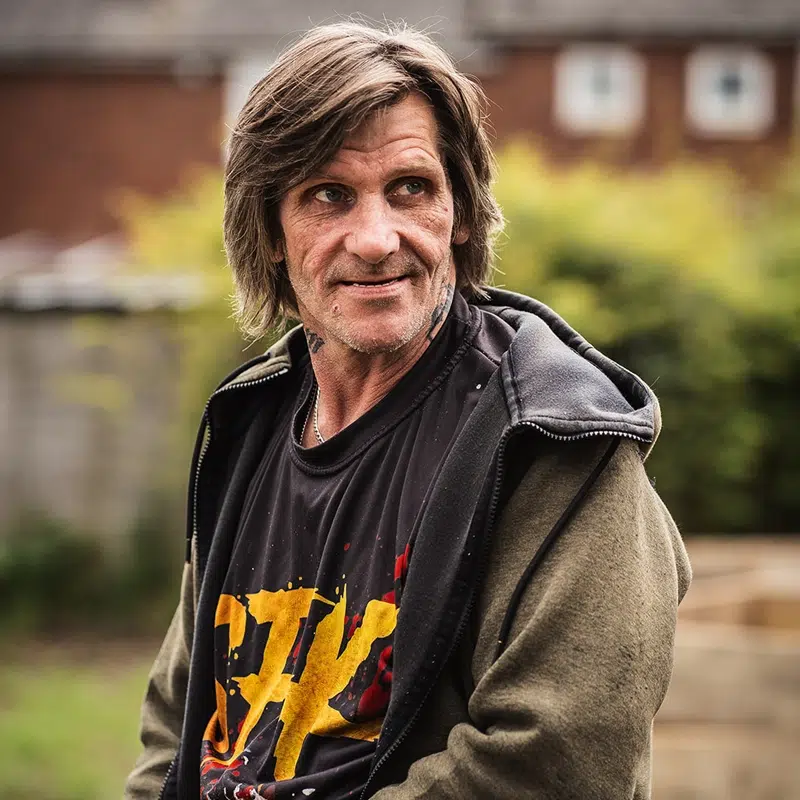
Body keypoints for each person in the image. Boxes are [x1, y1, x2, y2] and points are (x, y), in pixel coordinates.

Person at [125, 21, 691, 800]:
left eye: (410, 189)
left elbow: (553, 765)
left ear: (459, 214)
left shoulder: (555, 442)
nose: (375, 238)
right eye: (328, 195)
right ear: (270, 235)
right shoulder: (248, 427)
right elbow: (175, 727)